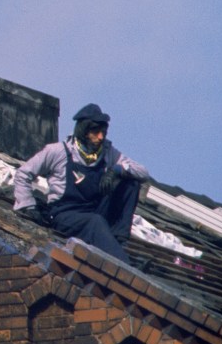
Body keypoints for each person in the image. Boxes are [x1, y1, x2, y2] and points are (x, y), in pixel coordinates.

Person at [13, 103, 150, 264]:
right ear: (84, 131)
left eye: (103, 132)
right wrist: (28, 206)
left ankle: (118, 242)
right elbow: (23, 173)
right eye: (96, 132)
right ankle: (124, 265)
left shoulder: (107, 153)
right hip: (65, 214)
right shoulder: (58, 151)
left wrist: (117, 170)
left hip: (94, 210)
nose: (100, 137)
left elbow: (143, 172)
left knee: (130, 184)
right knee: (95, 222)